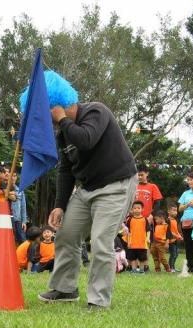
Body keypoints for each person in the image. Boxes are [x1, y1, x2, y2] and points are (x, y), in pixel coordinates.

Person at [34, 84, 138, 308]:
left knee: (101, 240)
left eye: (48, 112)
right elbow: (66, 170)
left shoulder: (96, 111)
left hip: (116, 184)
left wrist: (62, 119)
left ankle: (99, 300)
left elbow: (85, 139)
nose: (49, 119)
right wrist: (59, 205)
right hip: (88, 188)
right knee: (66, 234)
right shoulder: (64, 133)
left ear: (57, 105)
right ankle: (65, 289)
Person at [125, 200, 149, 273]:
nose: (137, 210)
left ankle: (141, 270)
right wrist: (128, 241)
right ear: (132, 209)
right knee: (133, 258)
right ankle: (134, 270)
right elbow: (128, 231)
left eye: (138, 208)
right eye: (135, 208)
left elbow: (148, 230)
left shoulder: (144, 219)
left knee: (142, 258)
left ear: (142, 209)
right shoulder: (130, 219)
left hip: (142, 243)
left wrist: (147, 238)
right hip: (132, 243)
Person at [10, 172, 28, 244]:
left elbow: (23, 206)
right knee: (10, 241)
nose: (12, 178)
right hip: (7, 218)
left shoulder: (20, 191)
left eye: (14, 176)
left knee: (23, 241)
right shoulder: (3, 188)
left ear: (16, 177)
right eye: (11, 176)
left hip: (17, 219)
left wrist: (24, 221)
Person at [167, 204, 183, 272]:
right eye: (173, 210)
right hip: (171, 241)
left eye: (176, 211)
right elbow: (169, 231)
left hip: (176, 240)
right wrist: (177, 236)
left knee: (176, 254)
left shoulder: (175, 220)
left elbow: (176, 231)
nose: (175, 212)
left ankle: (172, 266)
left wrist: (180, 236)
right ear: (168, 211)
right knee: (173, 254)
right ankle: (171, 268)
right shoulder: (168, 220)